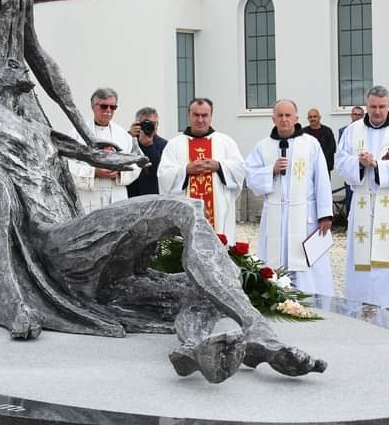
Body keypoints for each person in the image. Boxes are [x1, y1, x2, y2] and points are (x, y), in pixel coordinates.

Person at [246, 100, 334, 295]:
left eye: (288, 115)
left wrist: (325, 214)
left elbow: (321, 178)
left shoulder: (310, 144)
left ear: (296, 118)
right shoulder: (263, 146)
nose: (284, 119)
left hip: (305, 216)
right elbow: (251, 178)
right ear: (273, 119)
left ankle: (311, 301)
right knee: (273, 261)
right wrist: (271, 170)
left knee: (307, 264)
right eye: (280, 116)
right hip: (275, 215)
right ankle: (276, 299)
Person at [337, 86, 389, 309]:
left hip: (388, 202)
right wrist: (359, 163)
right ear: (366, 107)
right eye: (373, 107)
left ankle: (388, 306)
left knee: (388, 261)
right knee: (359, 260)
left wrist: (377, 165)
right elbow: (340, 162)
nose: (377, 112)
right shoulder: (353, 130)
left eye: (381, 107)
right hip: (360, 201)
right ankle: (357, 306)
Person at [158, 98, 246, 243]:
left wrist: (219, 166)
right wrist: (185, 170)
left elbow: (240, 169)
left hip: (218, 211)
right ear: (188, 116)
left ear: (211, 116)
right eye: (196, 115)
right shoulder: (174, 144)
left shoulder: (225, 142)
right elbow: (163, 175)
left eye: (204, 115)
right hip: (185, 208)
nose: (200, 120)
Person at [68, 87, 141, 212]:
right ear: (93, 107)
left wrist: (119, 173)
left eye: (112, 107)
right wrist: (94, 172)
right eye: (104, 106)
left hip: (117, 196)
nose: (108, 110)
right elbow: (68, 165)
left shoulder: (123, 135)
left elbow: (137, 163)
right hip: (89, 198)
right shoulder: (77, 134)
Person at [126, 106, 167, 197]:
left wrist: (149, 146)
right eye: (147, 123)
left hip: (153, 197)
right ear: (138, 124)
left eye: (154, 123)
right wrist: (129, 136)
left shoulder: (164, 144)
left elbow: (161, 171)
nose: (151, 126)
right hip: (131, 195)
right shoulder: (127, 140)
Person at [338, 105, 365, 215]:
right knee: (349, 195)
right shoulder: (344, 131)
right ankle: (349, 220)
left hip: (364, 167)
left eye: (360, 115)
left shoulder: (366, 130)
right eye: (355, 114)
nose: (357, 117)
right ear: (351, 115)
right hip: (351, 167)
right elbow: (342, 151)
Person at [304, 108, 337, 172]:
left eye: (315, 116)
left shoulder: (327, 131)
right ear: (308, 119)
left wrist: (320, 158)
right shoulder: (304, 132)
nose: (312, 119)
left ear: (319, 117)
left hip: (324, 166)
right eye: (310, 117)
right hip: (308, 166)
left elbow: (332, 148)